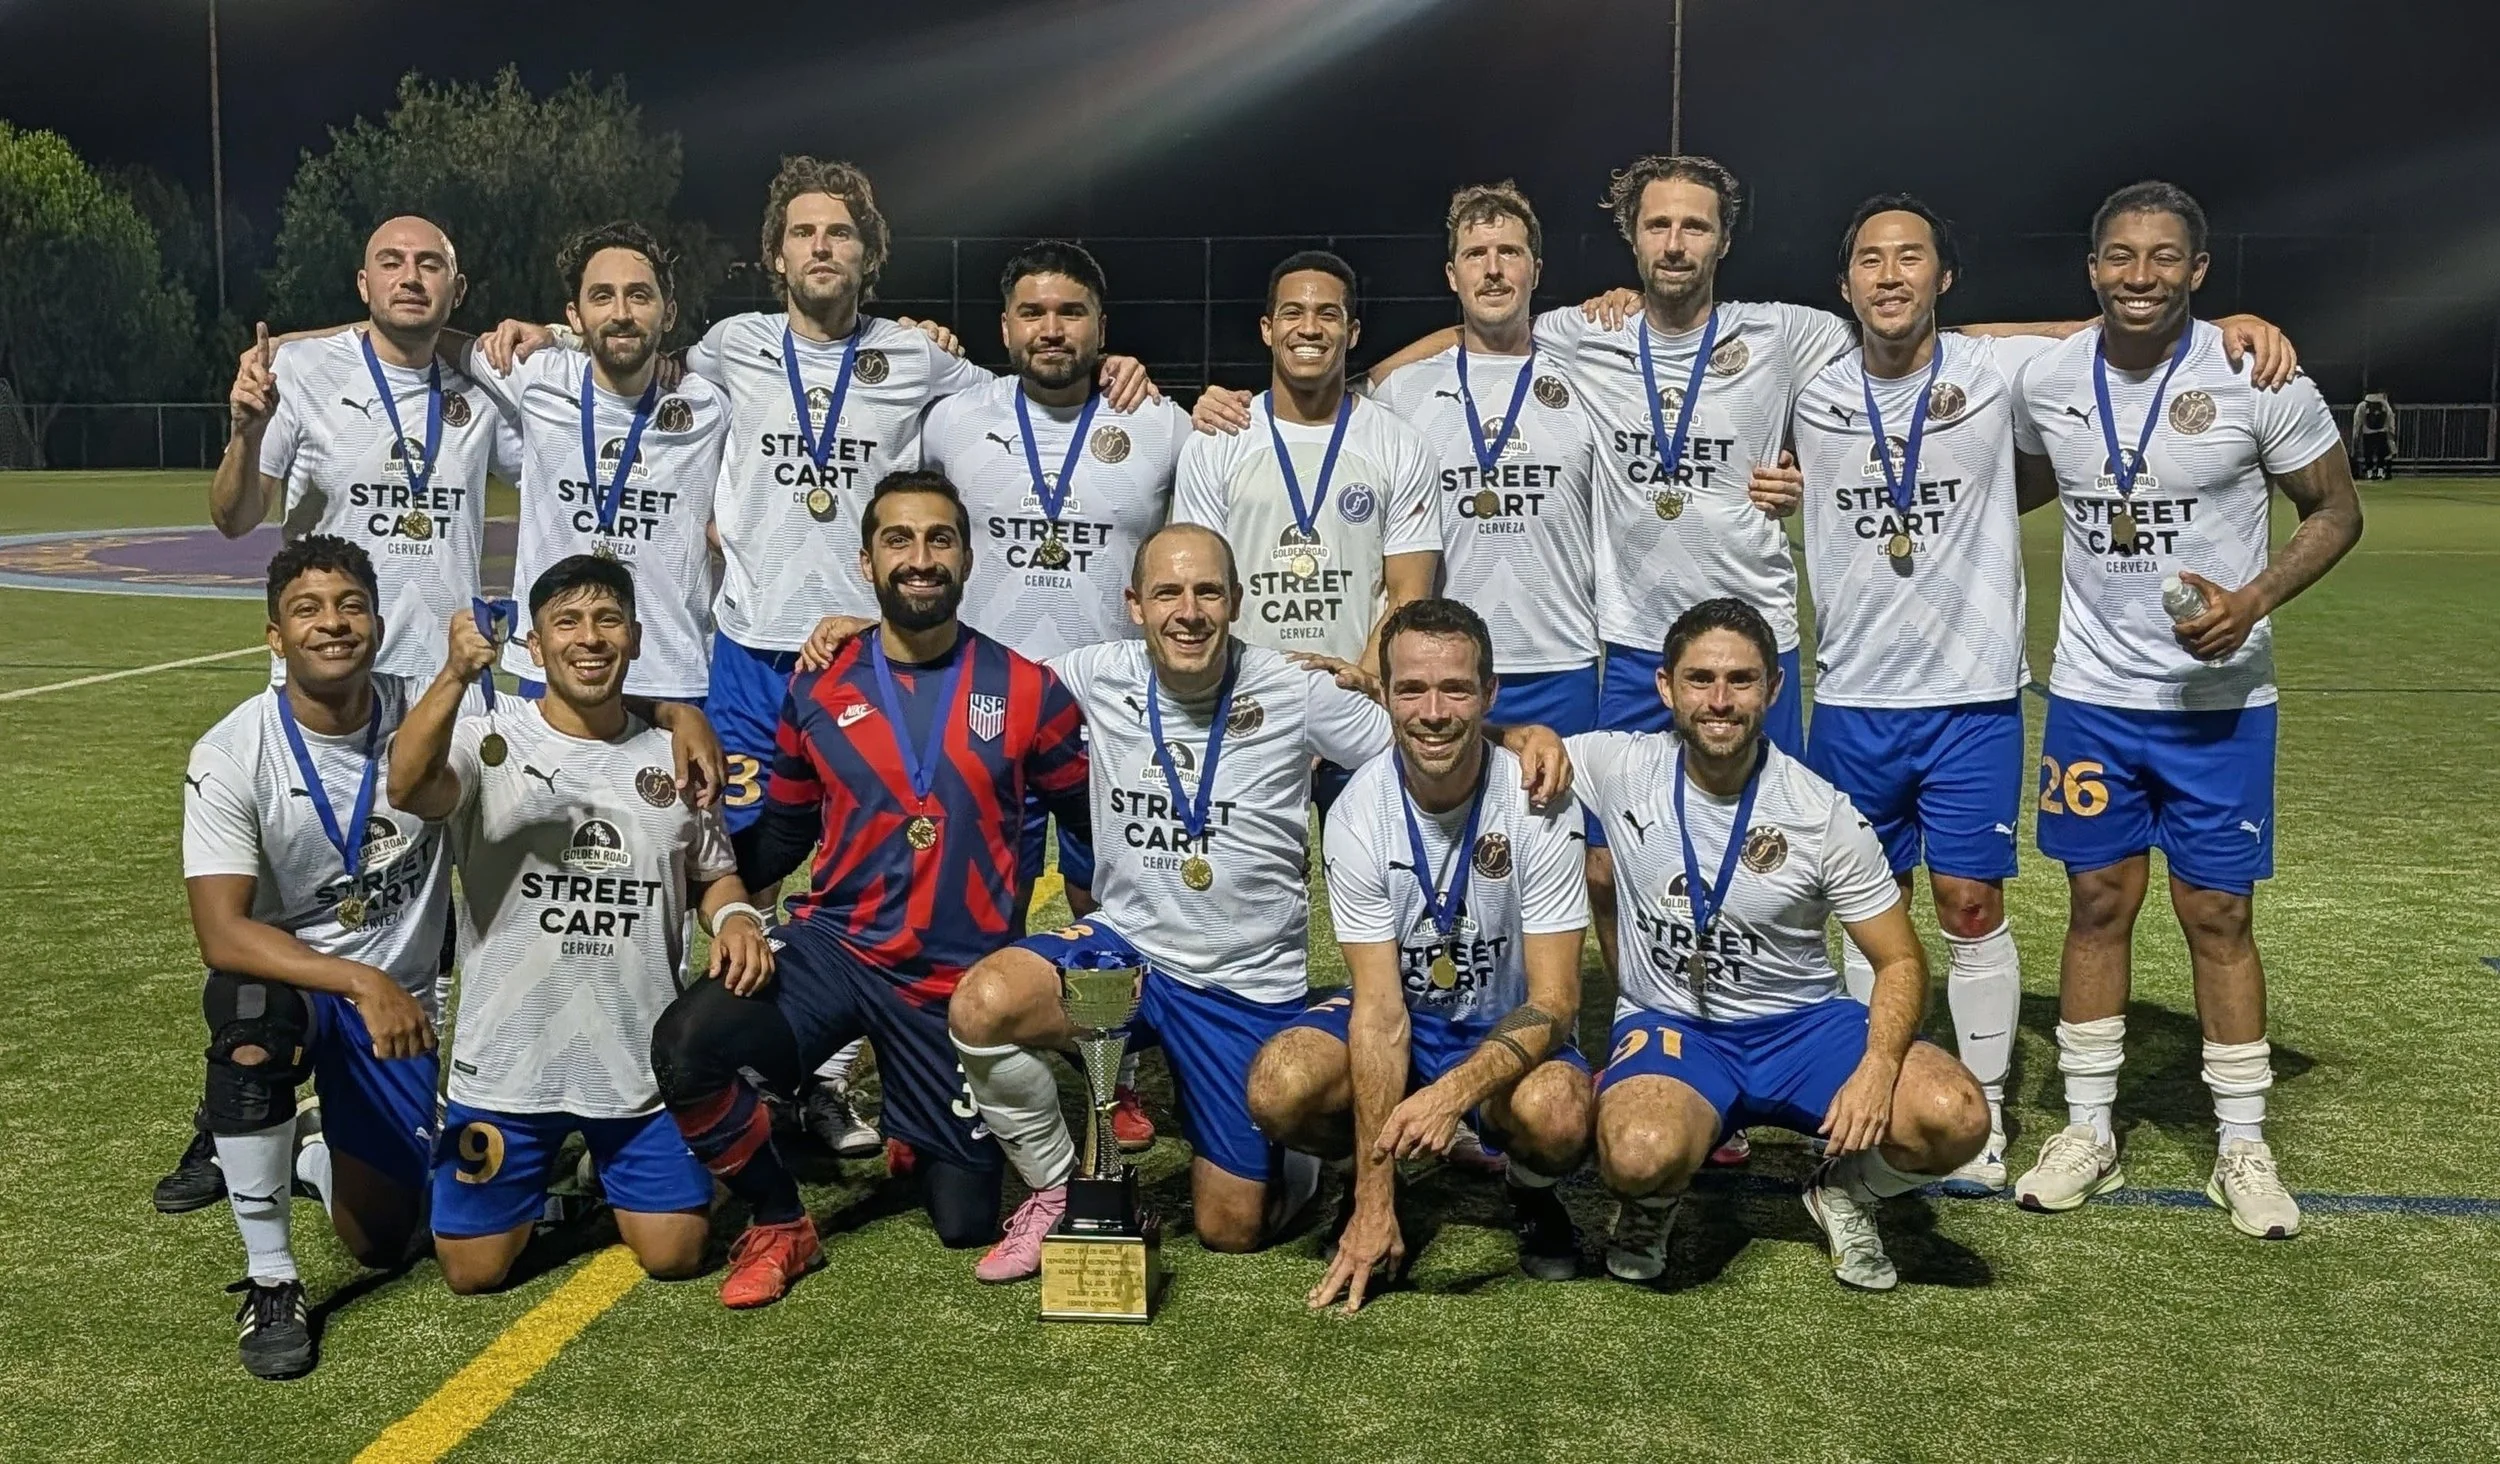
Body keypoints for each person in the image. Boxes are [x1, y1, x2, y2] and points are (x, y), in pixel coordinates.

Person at [1781, 196, 2300, 1191]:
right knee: (1863, 911)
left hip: (1973, 692)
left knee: (1970, 902)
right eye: (1870, 261)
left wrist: (2233, 327)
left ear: (1945, 279)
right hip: (1848, 698)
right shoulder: (1807, 385)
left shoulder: (1993, 367)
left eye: (1912, 258)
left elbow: (2114, 327)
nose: (1890, 276)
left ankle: (1978, 1125)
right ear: (1843, 282)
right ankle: (1867, 1099)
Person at [943, 525, 1570, 1283]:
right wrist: (863, 634)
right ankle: (1058, 1191)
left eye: (1208, 591)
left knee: (1231, 1230)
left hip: (1248, 988)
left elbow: (1426, 731)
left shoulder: (1294, 687)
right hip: (1127, 948)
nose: (1189, 611)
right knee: (983, 1003)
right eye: (1168, 592)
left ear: (1236, 601)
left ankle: (1297, 1163)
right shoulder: (1083, 675)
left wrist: (1520, 734)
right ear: (1134, 605)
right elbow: (967, 678)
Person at [648, 470, 1094, 1309]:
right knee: (689, 1046)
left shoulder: (1029, 689)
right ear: (866, 561)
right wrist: (716, 884)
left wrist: (1098, 924)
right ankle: (782, 1222)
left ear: (967, 557)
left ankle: (919, 1130)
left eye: (939, 540)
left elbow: (1084, 818)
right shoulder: (819, 685)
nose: (919, 558)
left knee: (964, 1218)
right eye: (899, 540)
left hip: (958, 983)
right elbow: (785, 831)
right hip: (840, 948)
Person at [2008, 182, 2361, 1239]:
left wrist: (2252, 599)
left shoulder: (2254, 371)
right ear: (2091, 270)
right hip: (2091, 699)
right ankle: (2087, 1130)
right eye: (2120, 256)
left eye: (2164, 258)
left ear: (2199, 273)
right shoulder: (2051, 374)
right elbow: (1956, 350)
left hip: (2219, 702)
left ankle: (2240, 1145)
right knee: (2096, 906)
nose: (2140, 276)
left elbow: (2335, 509)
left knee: (2218, 915)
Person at [166, 215, 518, 1212]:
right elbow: (234, 516)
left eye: (433, 266)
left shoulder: (481, 385)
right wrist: (241, 423)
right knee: (289, 907)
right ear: (363, 280)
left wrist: (527, 337)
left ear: (457, 287)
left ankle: (406, 1099)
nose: (413, 279)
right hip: (331, 692)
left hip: (435, 696)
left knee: (420, 911)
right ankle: (229, 1115)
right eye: (394, 264)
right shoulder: (305, 374)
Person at [1574, 597, 1989, 1291]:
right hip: (1674, 1025)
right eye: (1700, 679)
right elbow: (1494, 744)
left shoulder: (1820, 810)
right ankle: (1653, 1201)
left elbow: (1900, 959)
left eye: (1741, 680)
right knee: (1639, 1153)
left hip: (1802, 1029)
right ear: (1665, 687)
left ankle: (1845, 1189)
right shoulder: (1618, 765)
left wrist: (1877, 1069)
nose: (1720, 701)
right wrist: (1521, 736)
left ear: (1772, 687)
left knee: (1956, 1117)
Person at [386, 555, 770, 1293]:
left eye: (607, 621)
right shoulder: (488, 742)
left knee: (676, 1255)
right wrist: (456, 675)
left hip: (637, 1071)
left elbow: (713, 873)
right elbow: (407, 784)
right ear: (536, 645)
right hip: (507, 1067)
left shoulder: (677, 755)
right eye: (567, 623)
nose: (588, 639)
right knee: (472, 1273)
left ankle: (616, 1159)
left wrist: (740, 917)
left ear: (634, 638)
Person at [1247, 598, 1593, 1312]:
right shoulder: (1354, 813)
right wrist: (1375, 1201)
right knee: (1280, 1083)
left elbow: (1557, 1001)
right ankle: (1362, 1178)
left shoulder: (1541, 801)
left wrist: (1452, 1094)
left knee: (1559, 1114)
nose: (1433, 711)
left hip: (1506, 1020)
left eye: (1456, 688)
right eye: (1410, 689)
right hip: (1406, 1013)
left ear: (1490, 694)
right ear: (1384, 693)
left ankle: (1525, 1189)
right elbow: (1378, 1012)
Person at [922, 238, 1192, 1150]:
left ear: (1102, 329)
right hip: (983, 706)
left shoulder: (1159, 422)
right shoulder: (952, 416)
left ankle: (1112, 1071)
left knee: (1104, 901)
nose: (1051, 329)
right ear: (1004, 327)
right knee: (970, 899)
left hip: (1105, 711)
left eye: (1070, 312)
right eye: (1032, 313)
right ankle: (952, 1068)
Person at [180, 535, 456, 1378]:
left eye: (350, 606)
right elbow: (221, 933)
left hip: (402, 1006)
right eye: (307, 610)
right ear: (274, 637)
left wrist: (677, 713)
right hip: (308, 986)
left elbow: (563, 717)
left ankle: (304, 1150)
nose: (332, 625)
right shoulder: (233, 751)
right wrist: (358, 977)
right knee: (249, 1018)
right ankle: (272, 1277)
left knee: (380, 1241)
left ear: (376, 619)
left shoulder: (432, 712)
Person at [1170, 250, 1439, 816]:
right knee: (1247, 893)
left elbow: (1409, 591)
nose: (1310, 328)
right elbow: (1198, 586)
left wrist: (1357, 686)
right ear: (1268, 330)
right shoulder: (1218, 441)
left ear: (1353, 331)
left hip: (1360, 703)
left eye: (1329, 314)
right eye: (1292, 313)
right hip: (1248, 705)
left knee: (1374, 884)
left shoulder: (1399, 443)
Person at [1365, 183, 1604, 738]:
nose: (1493, 270)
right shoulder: (1402, 393)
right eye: (1476, 255)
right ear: (1453, 275)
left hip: (1561, 662)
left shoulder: (1588, 378)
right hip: (1444, 668)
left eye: (1510, 254)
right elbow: (1318, 409)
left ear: (1536, 270)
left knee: (1564, 824)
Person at [460, 221, 727, 706]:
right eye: (602, 296)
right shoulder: (537, 377)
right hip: (549, 668)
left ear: (669, 314)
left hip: (671, 676)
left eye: (639, 296)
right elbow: (410, 335)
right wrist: (294, 347)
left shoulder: (711, 403)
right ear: (575, 315)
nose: (621, 313)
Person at [2351, 390, 2396, 480]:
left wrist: (2355, 435)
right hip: (2381, 431)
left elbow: (2357, 421)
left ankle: (2370, 473)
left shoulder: (2362, 406)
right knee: (2381, 453)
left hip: (2367, 432)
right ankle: (2380, 472)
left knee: (2368, 453)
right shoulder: (2384, 405)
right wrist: (2391, 431)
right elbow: (2390, 418)